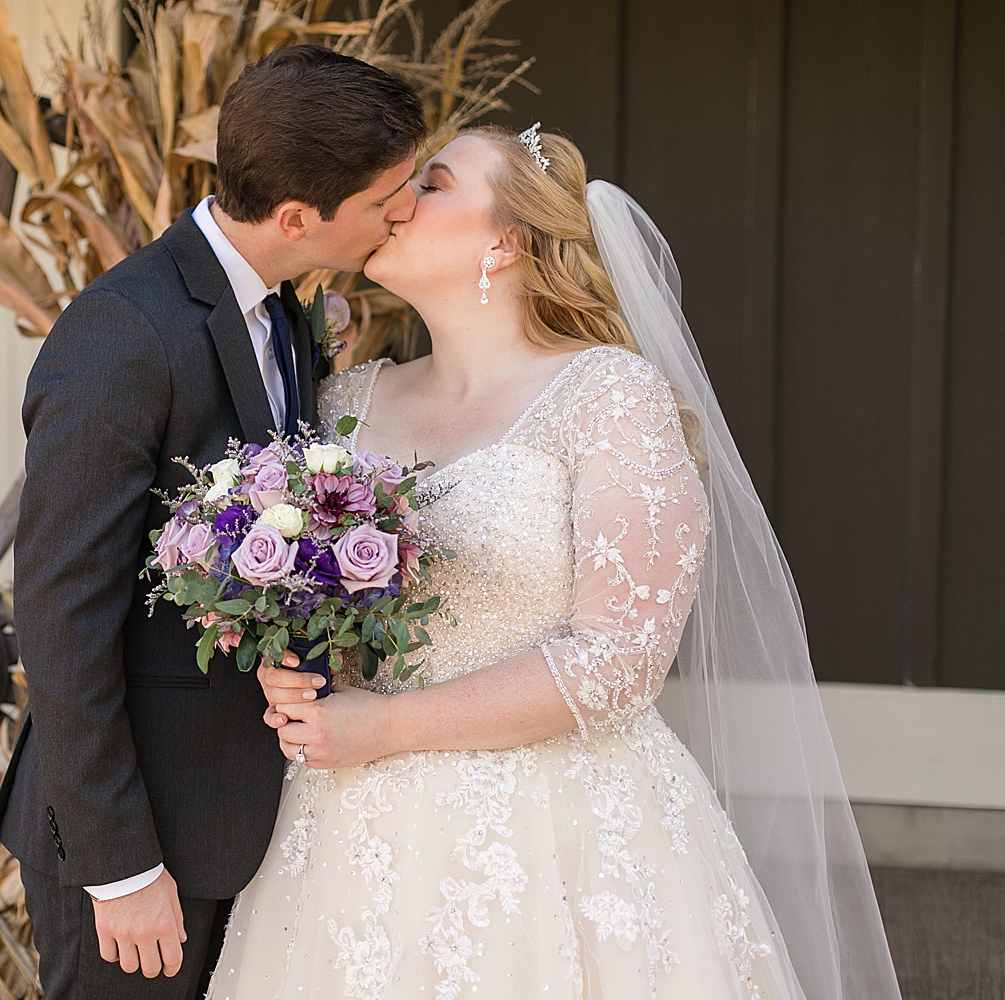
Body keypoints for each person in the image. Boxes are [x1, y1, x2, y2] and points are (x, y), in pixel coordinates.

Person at [211, 126, 903, 999]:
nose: (395, 201)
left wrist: (382, 728)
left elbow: (620, 659)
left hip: (561, 832)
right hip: (355, 838)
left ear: (506, 238)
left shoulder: (610, 395)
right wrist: (295, 668)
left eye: (431, 183)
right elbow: (321, 609)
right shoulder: (346, 402)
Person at [0, 45, 428, 1000]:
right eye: (388, 197)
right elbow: (61, 617)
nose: (406, 211)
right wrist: (122, 868)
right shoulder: (124, 335)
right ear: (299, 217)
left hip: (254, 825)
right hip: (143, 844)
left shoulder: (286, 308)